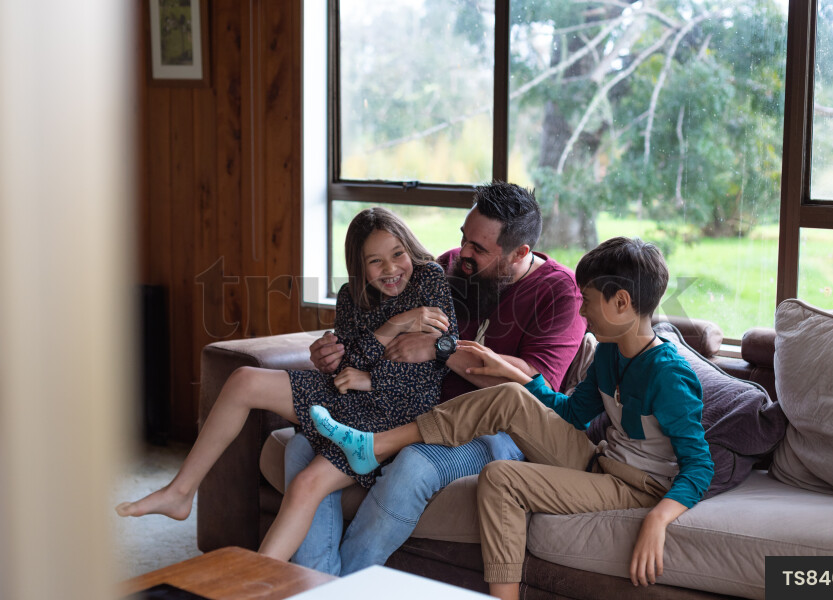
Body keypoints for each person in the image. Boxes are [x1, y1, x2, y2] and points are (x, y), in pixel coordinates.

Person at [311, 236, 715, 599]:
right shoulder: (609, 352)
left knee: (501, 477)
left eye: (588, 299)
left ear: (621, 302)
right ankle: (376, 445)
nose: (582, 309)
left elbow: (699, 466)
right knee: (506, 395)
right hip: (599, 460)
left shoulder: (669, 374)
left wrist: (658, 519)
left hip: (636, 487)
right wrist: (516, 375)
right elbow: (572, 414)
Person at [116, 207, 458, 561]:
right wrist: (393, 327)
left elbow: (434, 364)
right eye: (375, 261)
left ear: (409, 248)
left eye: (397, 254)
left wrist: (371, 378)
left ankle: (258, 583)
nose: (390, 269)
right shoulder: (350, 295)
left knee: (305, 485)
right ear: (359, 267)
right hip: (348, 396)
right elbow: (347, 366)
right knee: (243, 380)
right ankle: (181, 491)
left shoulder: (428, 279)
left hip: (394, 413)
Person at [285, 182, 586, 574]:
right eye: (464, 238)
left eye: (479, 249)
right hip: (418, 408)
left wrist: (440, 348)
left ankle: (341, 588)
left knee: (414, 464)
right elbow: (374, 322)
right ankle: (317, 585)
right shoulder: (447, 269)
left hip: (497, 430)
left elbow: (528, 385)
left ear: (520, 254)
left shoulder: (559, 293)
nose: (463, 254)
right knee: (300, 446)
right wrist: (334, 352)